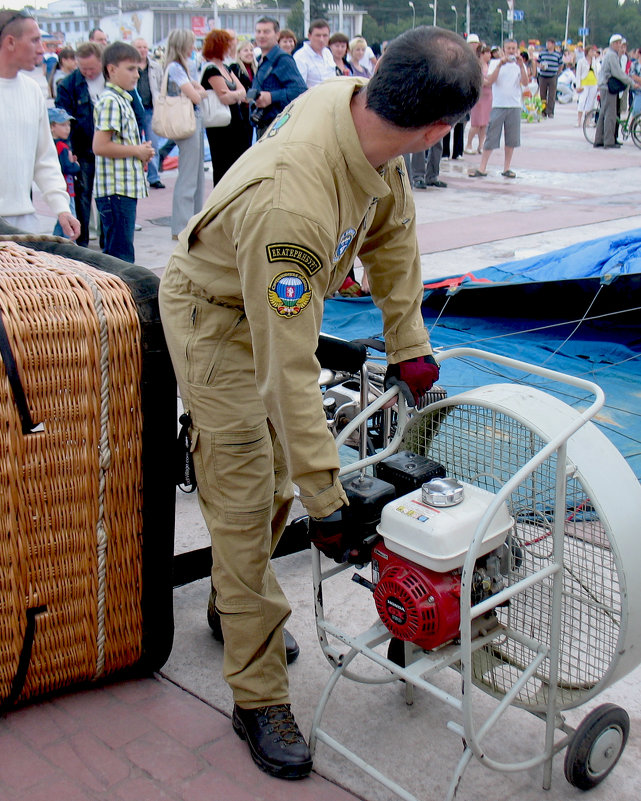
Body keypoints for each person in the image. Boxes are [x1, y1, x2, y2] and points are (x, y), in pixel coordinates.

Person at [158, 24, 480, 781]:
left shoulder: (354, 109)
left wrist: (409, 344)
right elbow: (287, 373)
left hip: (264, 312)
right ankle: (257, 693)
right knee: (245, 486)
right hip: (219, 320)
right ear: (438, 130)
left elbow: (392, 235)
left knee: (273, 478)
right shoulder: (292, 212)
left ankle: (231, 606)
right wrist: (327, 498)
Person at [0, 11, 80, 239]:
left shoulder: (33, 90)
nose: (42, 48)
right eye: (34, 40)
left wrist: (61, 208)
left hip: (24, 222)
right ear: (10, 42)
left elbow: (44, 157)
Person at [92, 42, 153, 263]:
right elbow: (100, 146)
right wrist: (136, 150)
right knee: (120, 258)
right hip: (115, 191)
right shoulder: (111, 101)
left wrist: (140, 151)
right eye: (130, 69)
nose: (136, 75)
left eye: (138, 69)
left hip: (122, 190)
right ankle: (119, 297)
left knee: (120, 253)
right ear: (111, 69)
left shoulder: (122, 99)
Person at [56, 41, 104, 247]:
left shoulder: (111, 78)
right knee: (82, 197)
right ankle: (82, 242)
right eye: (83, 68)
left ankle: (107, 241)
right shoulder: (68, 84)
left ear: (101, 63)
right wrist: (67, 148)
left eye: (92, 68)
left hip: (109, 148)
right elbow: (62, 117)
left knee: (108, 198)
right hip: (82, 150)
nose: (88, 73)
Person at [163, 28, 207, 238]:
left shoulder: (183, 67)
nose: (194, 48)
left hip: (193, 120)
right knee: (189, 175)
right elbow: (197, 95)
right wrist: (198, 91)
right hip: (187, 121)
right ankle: (181, 225)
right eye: (191, 43)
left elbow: (197, 90)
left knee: (196, 174)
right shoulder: (175, 68)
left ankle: (193, 220)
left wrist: (198, 90)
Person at [469, 38, 528, 179]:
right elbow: (489, 81)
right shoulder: (495, 63)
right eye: (509, 48)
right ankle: (482, 167)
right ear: (504, 49)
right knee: (491, 137)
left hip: (514, 105)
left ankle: (507, 167)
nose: (511, 51)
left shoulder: (520, 65)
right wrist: (500, 65)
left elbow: (525, 82)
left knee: (511, 139)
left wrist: (521, 66)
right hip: (498, 105)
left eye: (514, 48)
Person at [200, 29, 251, 185]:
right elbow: (225, 97)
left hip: (236, 122)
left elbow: (242, 90)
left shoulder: (226, 68)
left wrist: (234, 95)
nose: (231, 46)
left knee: (237, 165)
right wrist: (237, 95)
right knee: (223, 166)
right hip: (221, 126)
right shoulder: (211, 69)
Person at [249, 17, 306, 140]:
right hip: (263, 127)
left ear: (277, 35)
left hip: (278, 128)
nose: (261, 35)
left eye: (266, 32)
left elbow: (300, 90)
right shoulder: (261, 59)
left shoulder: (283, 59)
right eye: (258, 32)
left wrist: (271, 97)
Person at [594, 34, 641, 149]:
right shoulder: (611, 56)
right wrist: (630, 82)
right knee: (610, 114)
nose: (620, 46)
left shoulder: (613, 55)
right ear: (614, 44)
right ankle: (609, 141)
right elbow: (617, 73)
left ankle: (599, 139)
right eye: (619, 43)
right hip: (608, 87)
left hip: (606, 87)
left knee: (604, 114)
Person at [133, 37, 164, 189]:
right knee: (135, 145)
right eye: (139, 47)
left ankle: (153, 176)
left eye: (145, 47)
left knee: (153, 144)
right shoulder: (130, 67)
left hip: (151, 109)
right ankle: (137, 176)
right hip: (133, 111)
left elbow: (160, 87)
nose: (143, 50)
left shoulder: (156, 67)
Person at [48, 107, 80, 238]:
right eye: (62, 125)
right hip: (66, 189)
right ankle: (69, 244)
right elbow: (65, 167)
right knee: (69, 216)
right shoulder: (61, 146)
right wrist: (76, 166)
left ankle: (54, 242)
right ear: (51, 127)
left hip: (65, 188)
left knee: (62, 219)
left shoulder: (53, 145)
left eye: (68, 125)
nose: (67, 128)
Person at [465, 44, 492, 153]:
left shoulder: (490, 65)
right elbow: (479, 79)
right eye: (487, 53)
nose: (489, 55)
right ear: (481, 54)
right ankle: (469, 144)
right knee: (476, 123)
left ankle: (481, 145)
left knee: (484, 123)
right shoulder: (476, 66)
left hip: (488, 95)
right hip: (479, 96)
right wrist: (489, 82)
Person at [293, 19, 335, 88]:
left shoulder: (328, 53)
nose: (321, 39)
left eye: (325, 36)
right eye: (318, 35)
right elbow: (299, 87)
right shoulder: (300, 57)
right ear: (309, 36)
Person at [537, 38, 563, 119]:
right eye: (547, 43)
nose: (547, 45)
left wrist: (558, 72)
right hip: (543, 76)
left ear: (553, 44)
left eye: (549, 44)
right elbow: (537, 62)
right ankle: (543, 111)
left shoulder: (558, 54)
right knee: (542, 94)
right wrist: (540, 66)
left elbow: (561, 64)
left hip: (552, 76)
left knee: (552, 95)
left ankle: (550, 111)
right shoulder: (542, 53)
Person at [575, 44, 598, 127]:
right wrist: (578, 86)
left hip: (593, 83)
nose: (593, 53)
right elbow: (578, 74)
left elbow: (597, 72)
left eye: (594, 51)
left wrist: (598, 84)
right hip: (584, 83)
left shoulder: (595, 61)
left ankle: (588, 120)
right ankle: (579, 120)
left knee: (590, 102)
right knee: (581, 101)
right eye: (591, 51)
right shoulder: (581, 61)